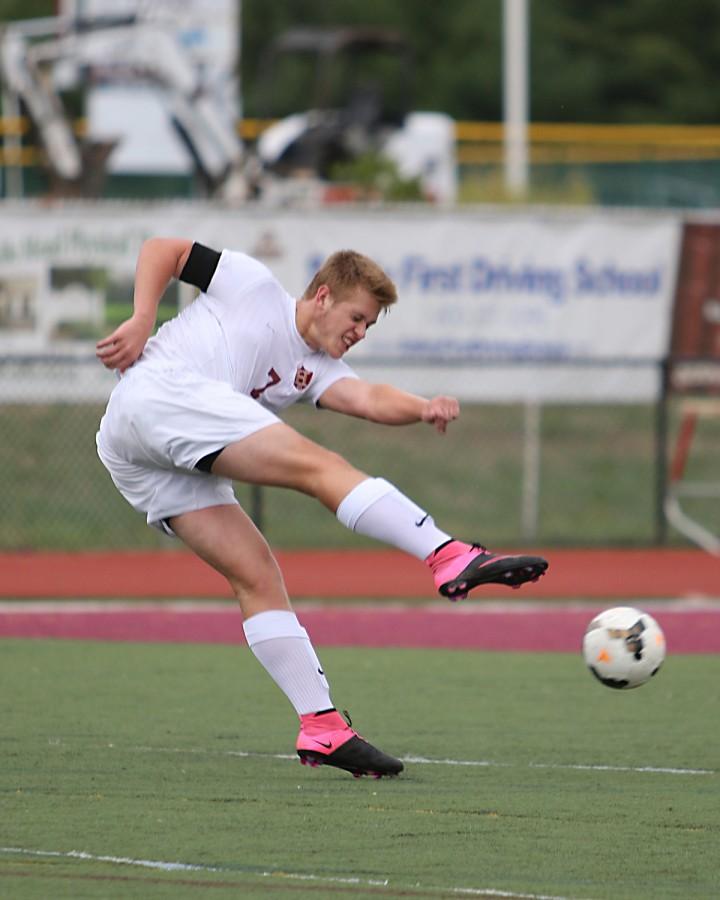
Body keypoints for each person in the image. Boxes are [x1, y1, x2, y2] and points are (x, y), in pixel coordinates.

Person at [95, 238, 548, 779]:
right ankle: (447, 555)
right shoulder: (253, 285)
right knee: (320, 467)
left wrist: (422, 407)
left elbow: (368, 398)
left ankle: (322, 726)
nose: (359, 332)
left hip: (140, 453)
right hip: (161, 393)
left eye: (369, 326)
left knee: (258, 576)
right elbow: (164, 249)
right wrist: (144, 316)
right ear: (324, 296)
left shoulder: (316, 368)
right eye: (357, 317)